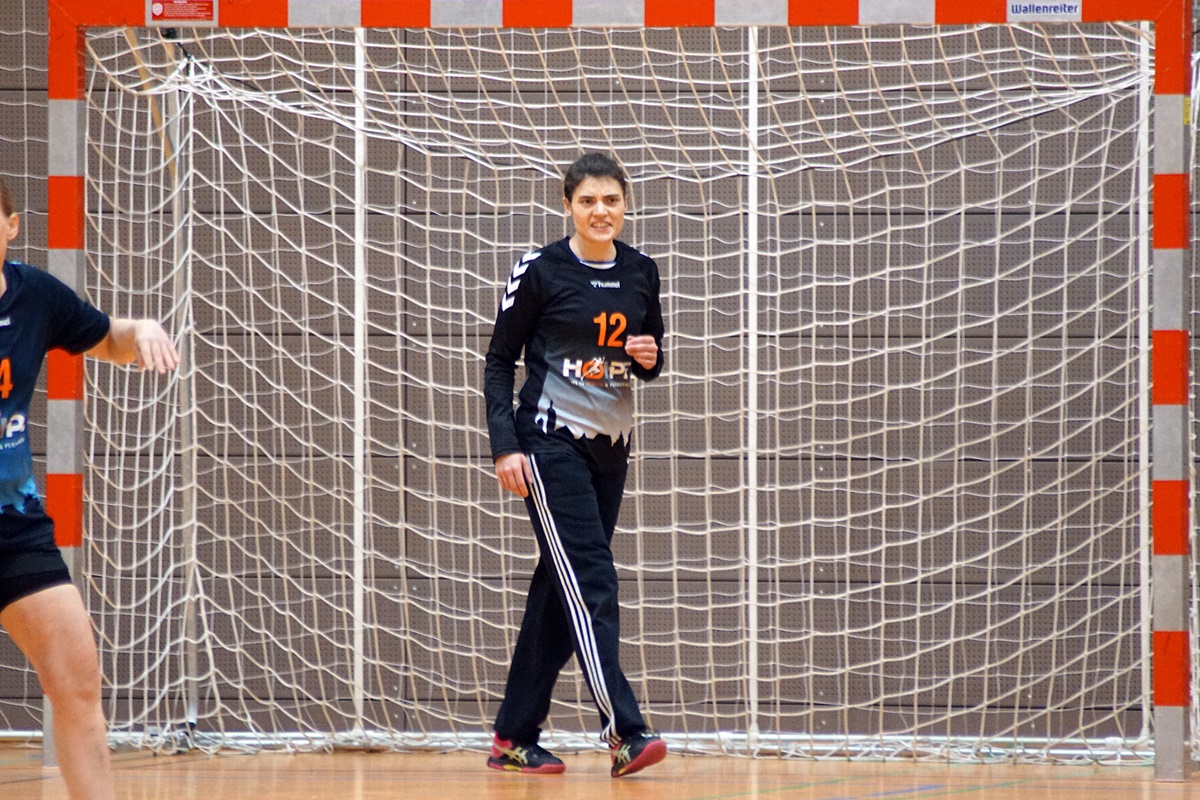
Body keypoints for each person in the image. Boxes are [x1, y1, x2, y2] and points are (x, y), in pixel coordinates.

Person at [483, 152, 667, 778]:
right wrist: (505, 445)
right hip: (546, 443)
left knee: (559, 593)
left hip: (610, 450)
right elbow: (498, 361)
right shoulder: (540, 270)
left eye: (611, 200)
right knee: (592, 578)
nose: (600, 211)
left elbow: (650, 354)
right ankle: (626, 730)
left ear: (625, 204)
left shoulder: (643, 271)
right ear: (568, 205)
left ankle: (512, 736)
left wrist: (648, 357)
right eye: (588, 200)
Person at [0, 177, 179, 800]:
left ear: (12, 225)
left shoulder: (35, 298)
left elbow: (105, 337)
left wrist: (142, 330)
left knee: (77, 683)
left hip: (13, 528)